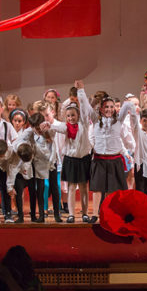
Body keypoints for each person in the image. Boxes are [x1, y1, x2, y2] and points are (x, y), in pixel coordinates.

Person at [82, 87, 136, 223]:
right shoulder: (95, 120)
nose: (109, 109)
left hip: (114, 160)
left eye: (112, 107)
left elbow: (128, 105)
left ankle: (108, 212)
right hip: (99, 160)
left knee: (112, 190)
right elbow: (86, 106)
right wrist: (80, 90)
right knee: (97, 189)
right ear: (101, 108)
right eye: (106, 107)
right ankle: (95, 214)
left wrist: (130, 103)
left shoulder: (118, 120)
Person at [48, 81, 93, 223]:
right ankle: (72, 214)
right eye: (68, 116)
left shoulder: (84, 124)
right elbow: (54, 124)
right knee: (72, 187)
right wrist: (47, 123)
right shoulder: (65, 127)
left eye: (73, 115)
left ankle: (85, 213)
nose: (71, 118)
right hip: (71, 160)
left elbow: (85, 108)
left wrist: (81, 91)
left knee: (84, 188)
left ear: (78, 115)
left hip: (84, 159)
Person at [7, 143, 36, 223]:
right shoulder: (14, 156)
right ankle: (20, 216)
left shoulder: (31, 148)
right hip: (19, 175)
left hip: (30, 173)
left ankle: (33, 216)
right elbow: (12, 171)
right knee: (18, 194)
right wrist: (10, 186)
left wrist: (26, 168)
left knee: (33, 194)